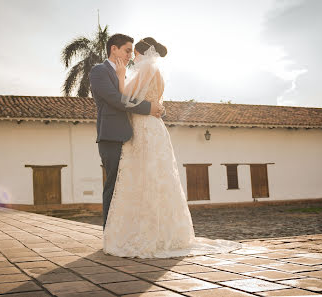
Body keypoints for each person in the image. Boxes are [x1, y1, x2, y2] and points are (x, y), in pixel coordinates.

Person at [100, 36, 242, 258]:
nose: (131, 58)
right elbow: (156, 103)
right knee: (158, 178)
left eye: (133, 53)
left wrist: (120, 77)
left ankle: (146, 234)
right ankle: (164, 233)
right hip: (154, 127)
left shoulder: (146, 69)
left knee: (144, 179)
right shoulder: (156, 72)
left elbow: (124, 98)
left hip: (144, 128)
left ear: (141, 54)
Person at [89, 34, 166, 232]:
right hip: (112, 136)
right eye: (127, 50)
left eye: (132, 51)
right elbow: (116, 99)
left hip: (135, 136)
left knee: (133, 186)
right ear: (113, 49)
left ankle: (131, 232)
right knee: (113, 186)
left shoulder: (131, 72)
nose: (131, 55)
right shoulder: (99, 71)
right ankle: (110, 234)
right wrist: (148, 108)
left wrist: (157, 108)